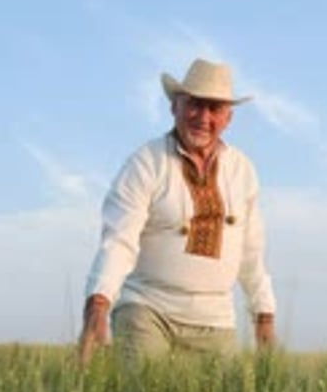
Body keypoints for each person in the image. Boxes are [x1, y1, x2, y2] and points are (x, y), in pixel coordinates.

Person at [79, 58, 276, 366]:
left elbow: (251, 252)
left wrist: (264, 316)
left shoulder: (243, 171)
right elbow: (119, 239)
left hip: (215, 320)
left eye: (214, 108)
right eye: (194, 105)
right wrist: (99, 302)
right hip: (147, 310)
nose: (203, 117)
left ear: (228, 118)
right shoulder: (146, 162)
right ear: (175, 107)